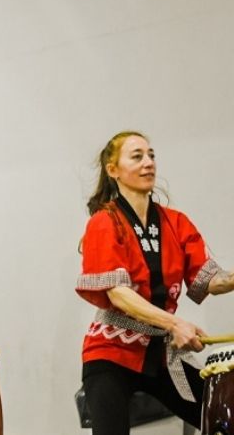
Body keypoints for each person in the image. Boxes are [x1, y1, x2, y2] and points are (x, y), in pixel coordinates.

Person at [76, 131, 234, 434]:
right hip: (111, 354)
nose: (148, 163)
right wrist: (174, 324)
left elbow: (211, 280)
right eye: (137, 157)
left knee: (224, 412)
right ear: (113, 170)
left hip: (162, 357)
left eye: (151, 155)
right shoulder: (104, 222)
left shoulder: (176, 223)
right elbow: (120, 295)